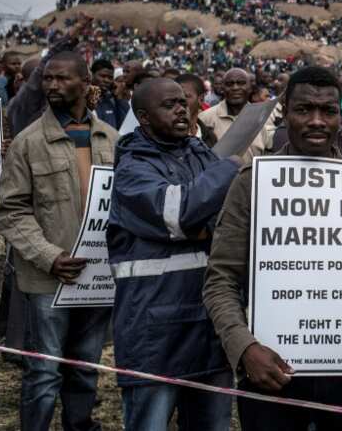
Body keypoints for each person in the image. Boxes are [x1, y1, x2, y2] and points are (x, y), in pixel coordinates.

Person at [204, 66, 342, 430]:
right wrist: (244, 349)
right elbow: (220, 280)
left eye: (328, 111)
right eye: (304, 110)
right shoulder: (253, 183)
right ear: (285, 112)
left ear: (341, 116)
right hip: (271, 374)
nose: (317, 121)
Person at [0, 51, 118, 431]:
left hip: (97, 279)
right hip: (49, 279)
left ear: (85, 83)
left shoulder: (112, 140)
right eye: (47, 79)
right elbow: (10, 211)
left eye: (62, 79)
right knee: (44, 372)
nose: (52, 85)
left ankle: (79, 424)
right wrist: (49, 257)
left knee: (85, 367)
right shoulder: (28, 143)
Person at [108, 78, 242, 430]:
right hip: (154, 329)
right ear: (144, 117)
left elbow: (224, 218)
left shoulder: (199, 152)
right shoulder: (132, 168)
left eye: (184, 102)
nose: (182, 109)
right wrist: (228, 169)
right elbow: (180, 212)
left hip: (208, 325)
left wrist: (203, 220)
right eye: (169, 105)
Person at [198, 68, 271, 162]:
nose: (235, 88)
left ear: (250, 88)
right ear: (223, 88)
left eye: (241, 83)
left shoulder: (263, 117)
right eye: (229, 84)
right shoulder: (205, 118)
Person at [176, 73, 218, 148]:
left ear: (201, 99)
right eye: (174, 98)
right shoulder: (164, 137)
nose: (178, 103)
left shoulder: (210, 137)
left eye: (185, 96)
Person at [91, 58, 130, 130]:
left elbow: (125, 126)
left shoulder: (113, 100)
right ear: (92, 75)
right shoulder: (84, 99)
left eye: (110, 77)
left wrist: (119, 98)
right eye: (103, 76)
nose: (106, 80)